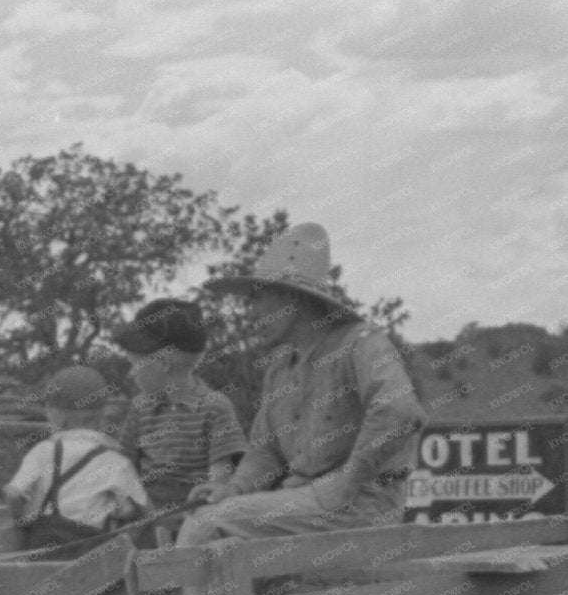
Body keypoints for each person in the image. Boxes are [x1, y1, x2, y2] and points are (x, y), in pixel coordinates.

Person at [179, 223, 425, 548]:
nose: (249, 313)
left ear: (292, 299)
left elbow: (400, 411)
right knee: (217, 545)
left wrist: (347, 481)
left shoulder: (362, 343)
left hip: (360, 507)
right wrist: (232, 490)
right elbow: (264, 452)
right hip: (303, 502)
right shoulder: (279, 369)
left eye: (257, 298)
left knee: (206, 525)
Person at [114, 299, 247, 517]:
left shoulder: (214, 408)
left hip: (192, 511)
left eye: (134, 363)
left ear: (163, 363)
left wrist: (200, 508)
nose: (131, 373)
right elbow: (123, 465)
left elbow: (218, 483)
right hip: (144, 508)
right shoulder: (140, 407)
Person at [3, 366, 148, 554]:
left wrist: (21, 523)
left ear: (54, 413)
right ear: (102, 415)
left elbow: (14, 494)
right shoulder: (115, 460)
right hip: (92, 555)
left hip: (44, 552)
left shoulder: (43, 451)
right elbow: (144, 509)